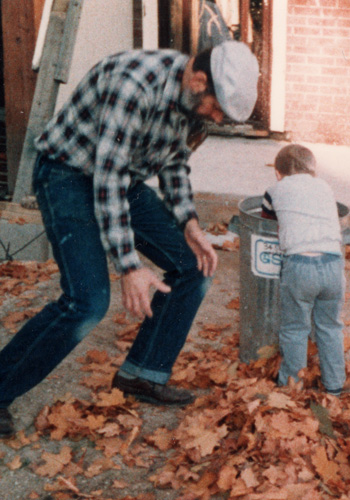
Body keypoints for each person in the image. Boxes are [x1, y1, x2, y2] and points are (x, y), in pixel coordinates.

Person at [0, 41, 259, 437]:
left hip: (123, 180)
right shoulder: (134, 84)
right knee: (86, 303)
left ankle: (142, 373)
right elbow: (109, 178)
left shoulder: (191, 100)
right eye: (216, 108)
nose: (215, 117)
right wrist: (129, 265)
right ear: (198, 79)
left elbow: (174, 163)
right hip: (68, 174)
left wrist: (189, 223)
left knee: (193, 265)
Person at [261, 144, 346, 395]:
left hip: (300, 265)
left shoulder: (274, 190)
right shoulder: (325, 187)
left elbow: (266, 223)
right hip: (333, 263)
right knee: (330, 326)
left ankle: (292, 387)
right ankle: (334, 387)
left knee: (295, 329)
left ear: (278, 172)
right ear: (313, 171)